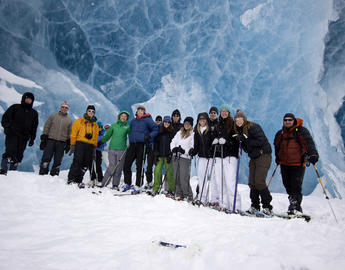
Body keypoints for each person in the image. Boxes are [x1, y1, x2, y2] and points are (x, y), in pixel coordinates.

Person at [274, 113, 319, 214]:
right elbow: (277, 146)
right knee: (287, 185)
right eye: (285, 120)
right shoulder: (280, 133)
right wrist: (277, 158)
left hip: (298, 164)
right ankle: (293, 204)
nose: (287, 122)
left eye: (290, 120)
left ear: (294, 120)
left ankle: (296, 207)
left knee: (296, 186)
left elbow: (309, 143)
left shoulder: (301, 131)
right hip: (284, 164)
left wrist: (313, 154)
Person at [233, 109, 273, 215]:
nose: (238, 121)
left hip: (263, 155)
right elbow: (247, 148)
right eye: (236, 119)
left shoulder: (253, 127)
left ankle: (267, 207)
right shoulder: (240, 131)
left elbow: (261, 140)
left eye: (240, 119)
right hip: (254, 157)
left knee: (259, 181)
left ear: (244, 119)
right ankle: (255, 206)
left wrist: (245, 140)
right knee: (252, 182)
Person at [122, 105, 158, 191]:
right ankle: (127, 183)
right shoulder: (133, 121)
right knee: (127, 164)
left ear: (144, 112)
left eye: (142, 110)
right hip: (132, 144)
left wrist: (149, 136)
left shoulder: (147, 120)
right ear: (137, 112)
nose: (140, 112)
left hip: (141, 144)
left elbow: (155, 129)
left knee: (139, 165)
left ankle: (138, 184)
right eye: (139, 110)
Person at [212, 105, 241, 212]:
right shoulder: (218, 125)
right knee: (220, 182)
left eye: (226, 111)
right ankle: (223, 204)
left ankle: (235, 206)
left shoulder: (232, 124)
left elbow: (236, 140)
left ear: (229, 113)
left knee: (230, 182)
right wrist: (215, 141)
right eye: (222, 111)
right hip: (219, 156)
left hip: (230, 157)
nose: (224, 113)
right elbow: (214, 137)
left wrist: (227, 142)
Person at [1, 92, 38, 174]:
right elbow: (5, 118)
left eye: (30, 99)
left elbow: (34, 127)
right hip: (12, 134)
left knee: (18, 155)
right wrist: (7, 127)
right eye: (27, 98)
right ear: (24, 98)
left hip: (24, 137)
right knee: (9, 151)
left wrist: (32, 138)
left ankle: (12, 173)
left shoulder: (33, 113)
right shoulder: (15, 107)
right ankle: (3, 170)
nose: (28, 100)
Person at [67, 105, 99, 188]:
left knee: (86, 163)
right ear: (86, 111)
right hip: (80, 143)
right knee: (77, 161)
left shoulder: (95, 125)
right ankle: (71, 179)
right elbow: (74, 134)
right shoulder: (79, 121)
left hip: (90, 146)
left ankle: (79, 180)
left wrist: (94, 148)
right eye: (89, 111)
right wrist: (73, 144)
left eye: (92, 111)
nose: (91, 113)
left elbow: (95, 137)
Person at [39, 101, 72, 176]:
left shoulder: (69, 120)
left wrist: (68, 143)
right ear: (60, 108)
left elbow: (70, 132)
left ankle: (54, 174)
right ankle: (43, 172)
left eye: (66, 108)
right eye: (63, 107)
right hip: (51, 140)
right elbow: (47, 126)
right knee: (46, 157)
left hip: (61, 142)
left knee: (58, 159)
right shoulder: (53, 116)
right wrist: (44, 137)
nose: (64, 109)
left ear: (67, 109)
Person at [100, 111, 130, 189]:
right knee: (111, 166)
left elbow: (131, 137)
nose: (123, 117)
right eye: (122, 116)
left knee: (119, 167)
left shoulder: (127, 127)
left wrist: (132, 144)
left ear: (127, 118)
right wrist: (100, 142)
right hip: (112, 149)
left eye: (125, 116)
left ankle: (115, 185)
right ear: (119, 117)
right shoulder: (113, 126)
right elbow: (107, 136)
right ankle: (104, 183)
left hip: (122, 150)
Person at [191, 112, 214, 205]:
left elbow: (213, 142)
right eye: (200, 119)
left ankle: (213, 199)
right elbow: (196, 145)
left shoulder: (210, 130)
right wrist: (194, 152)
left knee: (212, 178)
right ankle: (202, 197)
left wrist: (211, 151)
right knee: (201, 178)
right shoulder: (197, 131)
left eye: (204, 119)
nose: (202, 121)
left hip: (210, 158)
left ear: (206, 120)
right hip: (201, 157)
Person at [170, 116, 194, 201]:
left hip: (185, 158)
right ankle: (179, 194)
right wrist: (173, 148)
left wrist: (185, 151)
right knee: (176, 176)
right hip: (176, 156)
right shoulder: (179, 132)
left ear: (191, 125)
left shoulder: (192, 134)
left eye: (188, 124)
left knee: (183, 177)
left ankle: (187, 195)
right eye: (185, 123)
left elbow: (192, 146)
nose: (186, 125)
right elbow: (173, 141)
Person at [150, 116, 175, 196]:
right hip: (160, 155)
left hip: (168, 156)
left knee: (170, 173)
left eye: (168, 122)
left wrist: (170, 154)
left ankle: (172, 190)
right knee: (157, 172)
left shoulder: (172, 133)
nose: (166, 123)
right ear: (163, 122)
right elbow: (156, 143)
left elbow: (174, 144)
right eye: (165, 122)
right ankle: (155, 188)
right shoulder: (159, 132)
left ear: (170, 123)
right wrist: (155, 153)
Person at [143, 115, 163, 190]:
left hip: (157, 149)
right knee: (150, 166)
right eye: (157, 120)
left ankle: (157, 182)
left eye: (159, 120)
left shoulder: (162, 128)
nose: (158, 121)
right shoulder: (152, 128)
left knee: (157, 167)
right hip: (151, 149)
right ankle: (149, 181)